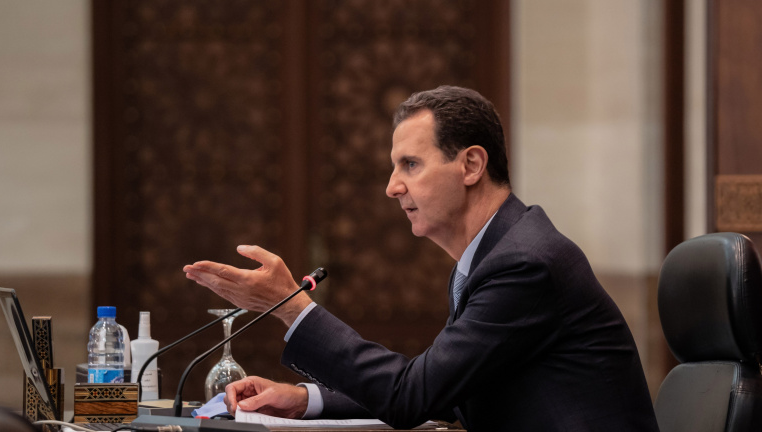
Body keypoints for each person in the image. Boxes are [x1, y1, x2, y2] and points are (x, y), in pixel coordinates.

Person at [183, 86, 660, 431]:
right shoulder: (494, 254)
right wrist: (304, 399)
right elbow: (446, 390)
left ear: (471, 165)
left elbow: (414, 396)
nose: (392, 187)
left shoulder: (524, 263)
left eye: (410, 165)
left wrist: (292, 306)